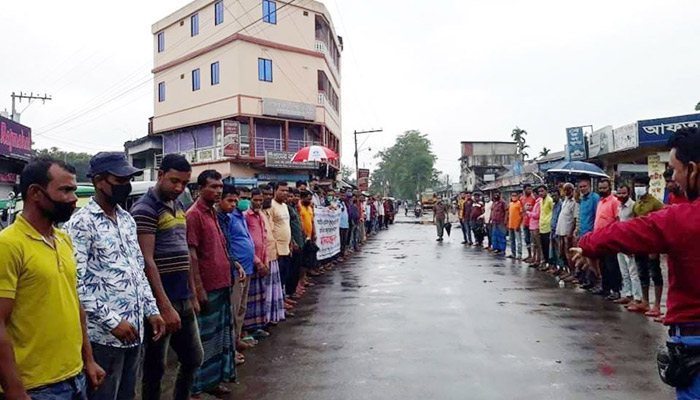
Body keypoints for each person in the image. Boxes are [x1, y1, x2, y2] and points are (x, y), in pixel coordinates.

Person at [570, 127, 700, 399]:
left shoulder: (682, 219)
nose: (672, 178)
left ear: (693, 169)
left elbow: (627, 232)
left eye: (674, 170)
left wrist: (587, 245)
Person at [0, 157, 105, 400]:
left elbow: (73, 302)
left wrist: (88, 360)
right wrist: (15, 390)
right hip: (36, 389)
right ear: (35, 193)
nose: (73, 199)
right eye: (65, 190)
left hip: (75, 378)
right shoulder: (8, 245)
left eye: (74, 191)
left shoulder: (63, 239)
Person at [65, 152, 164, 400]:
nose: (126, 186)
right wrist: (112, 321)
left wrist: (151, 310)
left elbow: (137, 271)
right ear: (100, 181)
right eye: (120, 180)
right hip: (103, 337)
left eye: (129, 180)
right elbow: (74, 283)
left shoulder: (127, 220)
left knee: (128, 395)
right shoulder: (81, 223)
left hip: (135, 332)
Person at [133, 154, 203, 400]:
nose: (179, 188)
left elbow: (184, 252)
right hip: (158, 302)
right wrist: (163, 306)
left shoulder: (179, 205)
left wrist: (192, 294)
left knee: (194, 358)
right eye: (174, 181)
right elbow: (146, 260)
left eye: (184, 183)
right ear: (160, 174)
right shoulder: (144, 209)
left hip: (182, 297)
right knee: (155, 368)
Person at [185, 170, 235, 396]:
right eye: (213, 187)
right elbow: (191, 253)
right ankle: (195, 389)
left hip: (222, 283)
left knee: (219, 338)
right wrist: (197, 288)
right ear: (199, 189)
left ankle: (213, 382)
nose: (218, 191)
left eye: (220, 187)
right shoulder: (194, 215)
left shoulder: (212, 213)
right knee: (203, 341)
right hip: (208, 287)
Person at [217, 186, 256, 359]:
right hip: (234, 270)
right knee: (233, 310)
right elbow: (227, 244)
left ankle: (237, 338)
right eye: (233, 200)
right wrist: (234, 263)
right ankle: (231, 347)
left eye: (239, 199)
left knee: (241, 308)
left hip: (246, 268)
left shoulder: (241, 216)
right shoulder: (228, 218)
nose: (239, 202)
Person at [629, 175, 665, 316]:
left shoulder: (655, 204)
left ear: (647, 187)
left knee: (655, 273)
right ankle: (645, 301)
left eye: (640, 185)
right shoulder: (637, 204)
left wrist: (657, 245)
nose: (638, 188)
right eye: (636, 185)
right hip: (639, 242)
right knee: (641, 272)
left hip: (652, 243)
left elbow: (662, 223)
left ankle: (657, 305)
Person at [243, 188, 271, 337]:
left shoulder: (260, 216)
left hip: (262, 261)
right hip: (251, 262)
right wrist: (257, 261)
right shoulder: (245, 216)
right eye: (256, 200)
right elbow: (245, 241)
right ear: (250, 200)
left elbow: (264, 240)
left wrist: (265, 261)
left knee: (260, 296)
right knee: (248, 298)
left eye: (260, 200)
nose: (258, 203)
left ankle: (257, 326)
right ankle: (246, 329)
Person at [260, 185, 286, 323]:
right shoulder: (254, 214)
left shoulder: (267, 212)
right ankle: (265, 318)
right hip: (262, 257)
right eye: (265, 194)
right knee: (264, 291)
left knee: (273, 288)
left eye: (269, 194)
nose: (268, 197)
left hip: (273, 253)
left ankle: (272, 316)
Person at [592, 178, 622, 299]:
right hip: (599, 238)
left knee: (612, 266)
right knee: (603, 265)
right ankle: (605, 288)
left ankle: (616, 290)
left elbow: (618, 219)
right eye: (600, 188)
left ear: (609, 188)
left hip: (610, 238)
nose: (602, 190)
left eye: (604, 188)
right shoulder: (600, 202)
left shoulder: (614, 201)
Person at [613, 185, 642, 306]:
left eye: (623, 193)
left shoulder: (633, 206)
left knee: (633, 272)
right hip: (620, 241)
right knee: (623, 270)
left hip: (630, 243)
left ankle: (637, 298)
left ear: (629, 193)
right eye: (619, 193)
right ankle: (628, 294)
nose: (621, 196)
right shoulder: (619, 207)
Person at [268, 182, 293, 313]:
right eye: (282, 190)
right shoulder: (271, 206)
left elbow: (286, 226)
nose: (285, 193)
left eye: (287, 191)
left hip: (286, 248)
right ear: (275, 191)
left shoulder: (285, 206)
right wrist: (274, 249)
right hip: (277, 250)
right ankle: (279, 303)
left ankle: (283, 298)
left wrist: (290, 243)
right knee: (278, 279)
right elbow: (270, 228)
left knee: (284, 276)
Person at [577, 177, 600, 289]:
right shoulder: (582, 200)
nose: (583, 189)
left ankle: (597, 282)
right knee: (585, 258)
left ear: (589, 186)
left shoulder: (595, 198)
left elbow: (597, 215)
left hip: (591, 234)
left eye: (584, 186)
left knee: (593, 260)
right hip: (582, 233)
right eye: (580, 187)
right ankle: (589, 281)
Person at [556, 183, 578, 281]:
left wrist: (571, 232)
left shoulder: (575, 202)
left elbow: (575, 219)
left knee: (569, 253)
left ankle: (573, 273)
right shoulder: (565, 201)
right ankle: (568, 271)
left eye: (569, 189)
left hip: (568, 233)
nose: (566, 192)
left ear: (572, 190)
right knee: (562, 253)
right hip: (561, 231)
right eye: (565, 190)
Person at [536, 185, 554, 271]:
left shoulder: (550, 200)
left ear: (546, 191)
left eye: (542, 191)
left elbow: (553, 212)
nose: (540, 193)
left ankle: (550, 265)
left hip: (548, 227)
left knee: (549, 248)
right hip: (542, 226)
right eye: (539, 191)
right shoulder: (540, 201)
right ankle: (546, 263)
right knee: (544, 247)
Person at [547, 188, 562, 274]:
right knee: (553, 251)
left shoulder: (561, 205)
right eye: (552, 195)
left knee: (558, 250)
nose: (553, 197)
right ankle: (555, 266)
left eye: (555, 195)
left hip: (558, 230)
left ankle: (561, 268)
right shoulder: (554, 205)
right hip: (552, 229)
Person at [520, 184, 536, 262]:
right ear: (524, 190)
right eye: (528, 189)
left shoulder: (533, 198)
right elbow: (521, 210)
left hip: (532, 223)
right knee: (527, 240)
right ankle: (529, 254)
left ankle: (534, 257)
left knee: (533, 241)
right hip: (525, 222)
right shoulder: (522, 198)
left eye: (530, 189)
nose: (529, 191)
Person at [489, 190, 508, 255]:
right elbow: (492, 211)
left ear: (500, 194)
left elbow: (506, 211)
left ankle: (502, 250)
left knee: (501, 235)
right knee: (495, 235)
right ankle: (497, 248)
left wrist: (505, 220)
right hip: (494, 221)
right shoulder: (494, 203)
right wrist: (490, 219)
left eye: (497, 193)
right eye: (494, 194)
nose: (496, 195)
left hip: (501, 221)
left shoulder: (503, 202)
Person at [507, 192, 523, 259]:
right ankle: (513, 253)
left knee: (519, 241)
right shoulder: (510, 204)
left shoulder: (519, 204)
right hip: (511, 225)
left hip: (517, 225)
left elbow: (521, 214)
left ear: (517, 196)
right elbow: (509, 214)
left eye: (515, 195)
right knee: (512, 240)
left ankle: (519, 254)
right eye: (512, 196)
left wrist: (519, 224)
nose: (514, 197)